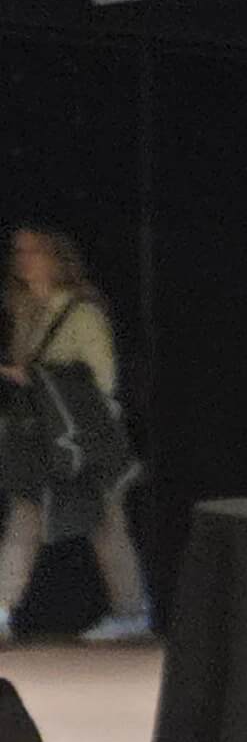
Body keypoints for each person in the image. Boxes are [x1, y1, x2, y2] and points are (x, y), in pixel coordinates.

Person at [1, 225, 152, 643]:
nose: (23, 260)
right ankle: (3, 607)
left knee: (105, 521)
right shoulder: (26, 310)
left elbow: (103, 381)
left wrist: (39, 379)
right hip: (46, 439)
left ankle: (132, 611)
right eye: (19, 251)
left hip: (82, 440)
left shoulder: (83, 314)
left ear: (56, 258)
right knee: (26, 515)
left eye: (33, 251)